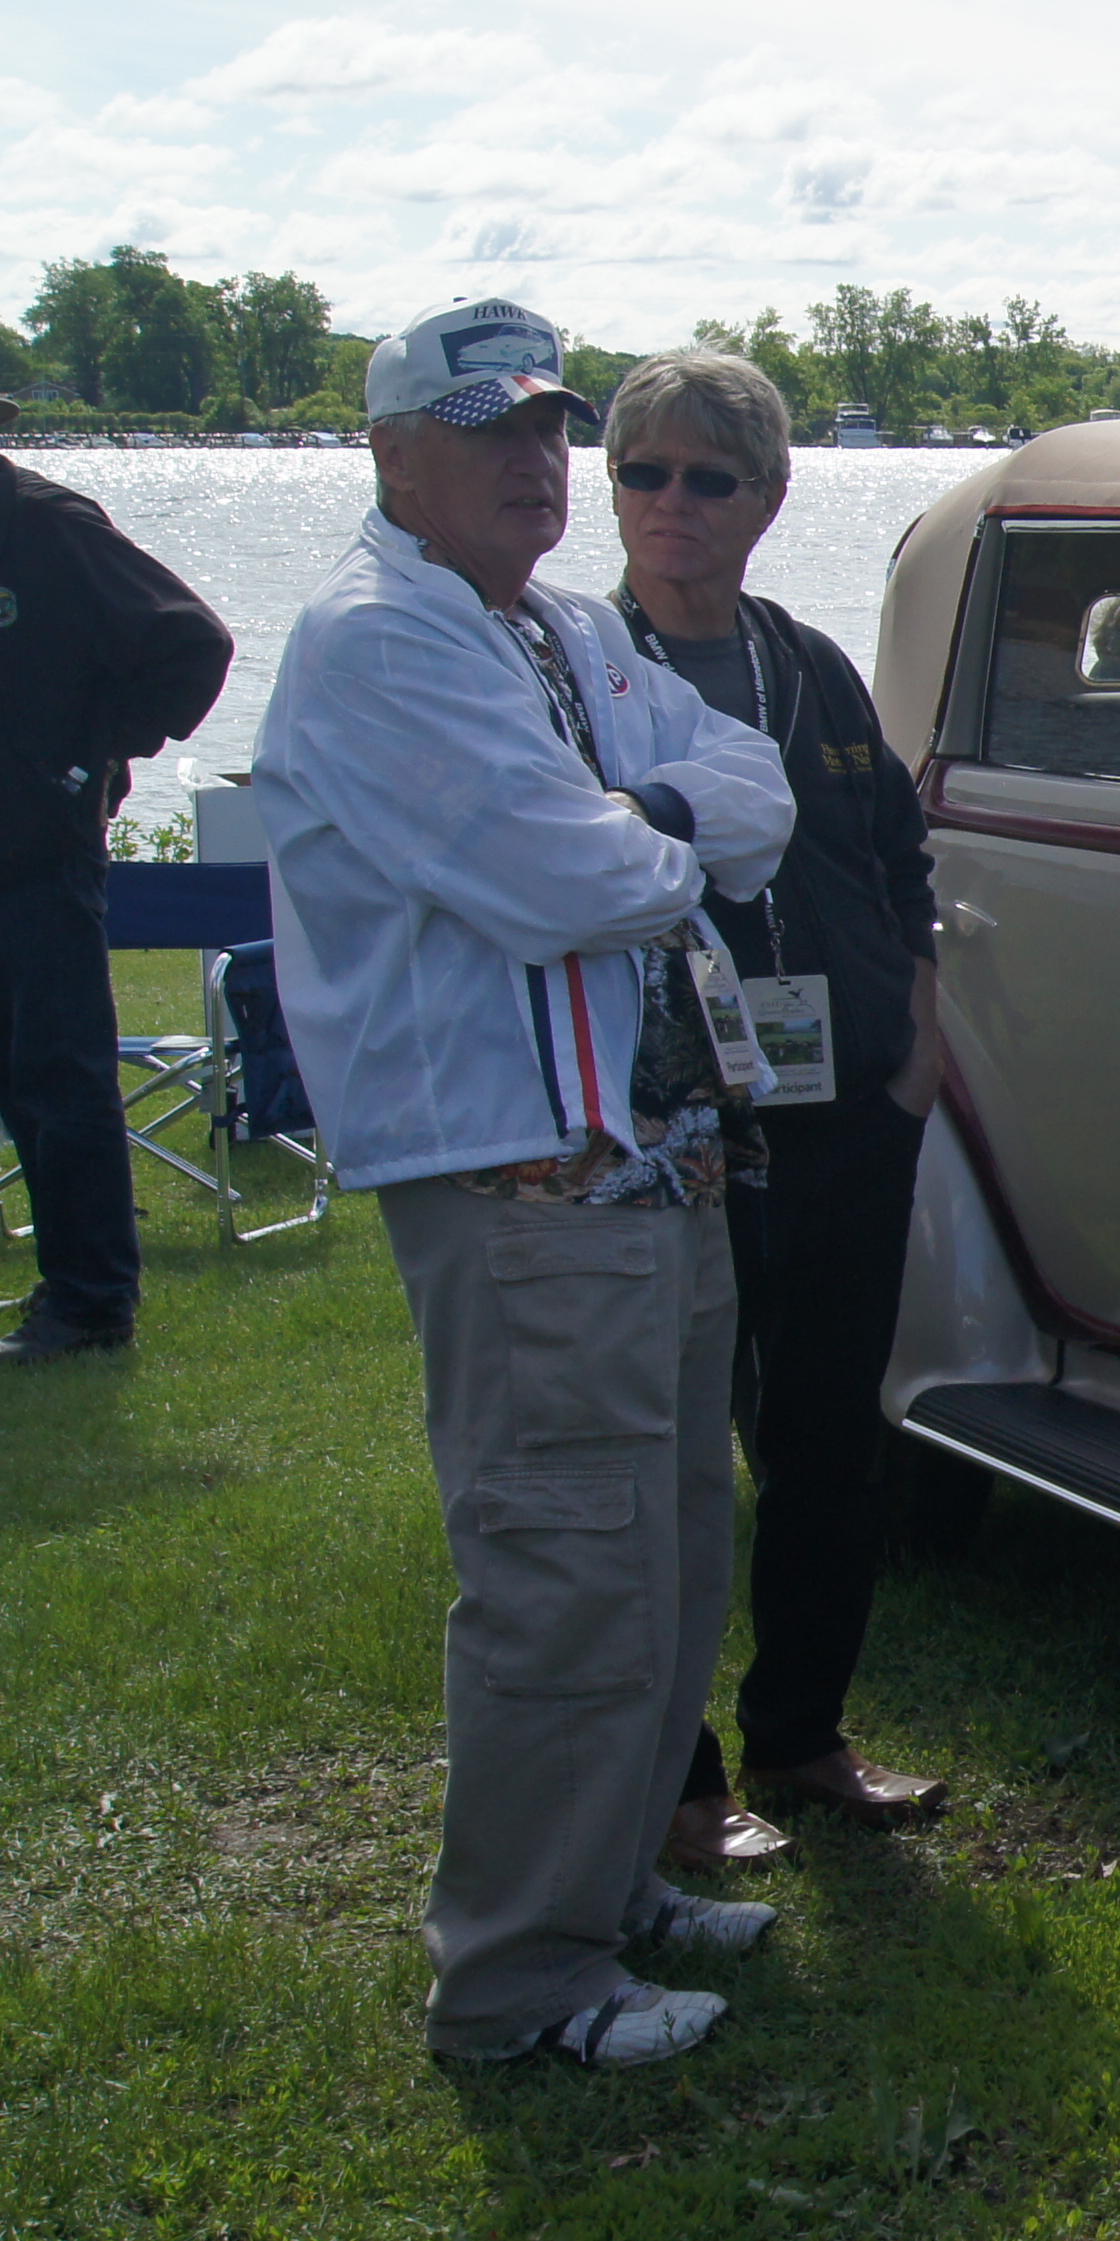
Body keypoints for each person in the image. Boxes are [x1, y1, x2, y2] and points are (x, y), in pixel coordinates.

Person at [250, 296, 798, 2070]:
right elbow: (564, 883)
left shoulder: (556, 629)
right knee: (560, 1572)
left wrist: (632, 810)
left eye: (549, 430)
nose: (534, 466)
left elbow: (759, 787)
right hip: (521, 1190)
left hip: (656, 1170)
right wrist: (654, 825)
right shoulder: (375, 641)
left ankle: (613, 1880)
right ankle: (514, 1980)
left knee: (666, 1554)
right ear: (390, 450)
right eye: (487, 432)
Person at [596, 350, 954, 1873]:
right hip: (678, 1126)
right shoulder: (579, 672)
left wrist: (920, 1049)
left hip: (849, 1114)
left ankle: (802, 1737)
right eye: (640, 474)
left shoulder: (807, 665)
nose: (670, 505)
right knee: (671, 1455)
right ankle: (676, 1785)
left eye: (707, 477)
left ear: (769, 498)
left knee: (829, 1441)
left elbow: (899, 866)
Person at [0, 461, 234, 1360]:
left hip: (41, 857)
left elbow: (190, 644)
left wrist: (86, 763)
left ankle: (92, 1303)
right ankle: (68, 1285)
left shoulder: (47, 526)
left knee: (61, 1080)